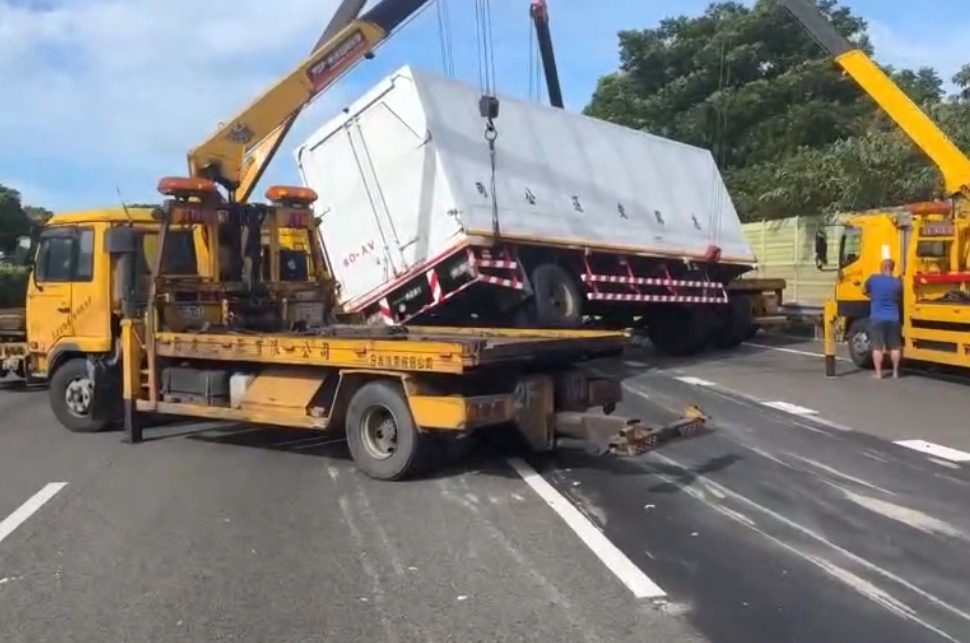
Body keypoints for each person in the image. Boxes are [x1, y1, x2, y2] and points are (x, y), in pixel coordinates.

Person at [863, 258, 903, 379]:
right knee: (895, 346)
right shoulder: (897, 283)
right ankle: (895, 372)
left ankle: (879, 373)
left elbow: (864, 290)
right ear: (892, 268)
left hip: (877, 318)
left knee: (877, 347)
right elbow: (899, 297)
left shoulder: (873, 279)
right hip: (894, 318)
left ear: (881, 268)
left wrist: (872, 296)